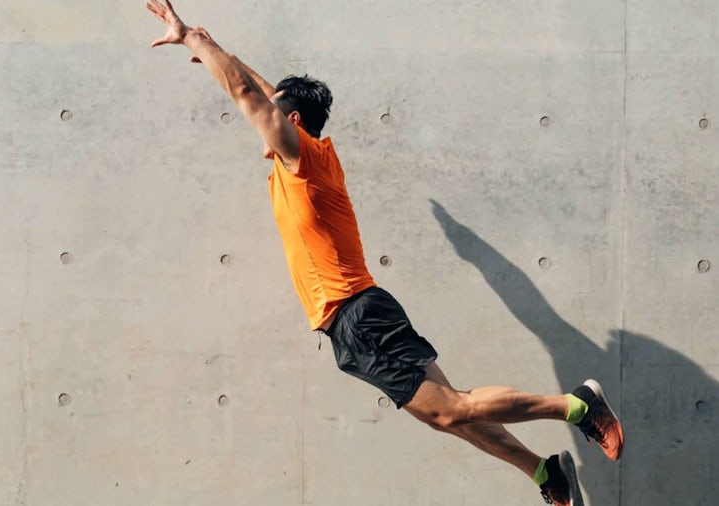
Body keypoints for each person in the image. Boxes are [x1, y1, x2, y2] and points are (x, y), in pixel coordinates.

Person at [145, 2, 624, 504]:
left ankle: (578, 406)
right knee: (449, 417)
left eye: (274, 114)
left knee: (451, 410)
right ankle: (543, 471)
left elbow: (248, 94)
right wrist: (218, 50)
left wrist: (191, 39)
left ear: (291, 120)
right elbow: (264, 93)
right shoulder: (311, 153)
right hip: (351, 320)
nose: (261, 123)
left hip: (357, 314)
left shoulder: (302, 159)